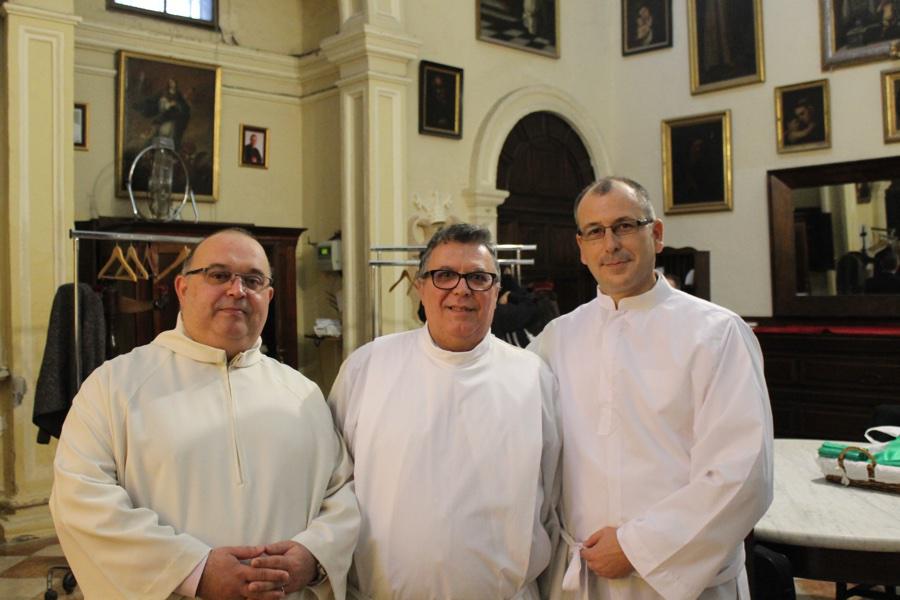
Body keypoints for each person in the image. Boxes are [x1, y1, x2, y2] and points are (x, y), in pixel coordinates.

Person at [50, 228, 360, 599]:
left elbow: (341, 492)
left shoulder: (302, 394)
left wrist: (312, 555)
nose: (237, 290)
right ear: (183, 288)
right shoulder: (114, 386)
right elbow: (80, 498)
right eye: (218, 275)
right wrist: (193, 570)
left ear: (269, 296)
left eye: (252, 280)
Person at [529, 177, 773, 599]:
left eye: (625, 226)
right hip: (583, 576)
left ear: (656, 234)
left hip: (683, 577)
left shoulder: (717, 333)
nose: (611, 244)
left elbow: (744, 473)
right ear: (581, 247)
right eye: (595, 232)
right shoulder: (557, 338)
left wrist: (638, 546)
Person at [329, 223, 561, 600]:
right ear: (420, 286)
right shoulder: (367, 367)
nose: (462, 289)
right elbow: (336, 485)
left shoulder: (533, 377)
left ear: (497, 291)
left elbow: (550, 500)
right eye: (444, 276)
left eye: (478, 278)